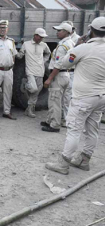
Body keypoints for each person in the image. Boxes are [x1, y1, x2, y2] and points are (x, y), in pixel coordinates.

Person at [45, 17, 105, 175]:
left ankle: (63, 163)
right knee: (92, 130)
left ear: (90, 30)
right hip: (100, 96)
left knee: (74, 130)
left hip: (84, 97)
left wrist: (77, 46)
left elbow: (64, 63)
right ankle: (84, 160)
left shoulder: (83, 48)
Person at [40, 22, 74, 132]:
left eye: (59, 30)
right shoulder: (70, 43)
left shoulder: (62, 45)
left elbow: (58, 64)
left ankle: (54, 125)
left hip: (59, 75)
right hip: (66, 74)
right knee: (54, 99)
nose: (57, 32)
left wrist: (49, 78)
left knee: (55, 100)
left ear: (66, 32)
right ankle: (50, 120)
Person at [16, 28, 51, 118]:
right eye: (40, 37)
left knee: (36, 92)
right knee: (34, 89)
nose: (41, 39)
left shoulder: (44, 45)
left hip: (40, 71)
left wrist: (43, 61)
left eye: (43, 37)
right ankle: (25, 84)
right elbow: (20, 56)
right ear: (35, 35)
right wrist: (13, 51)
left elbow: (48, 53)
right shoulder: (26, 44)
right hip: (30, 71)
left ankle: (29, 109)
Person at [60, 21, 80, 127]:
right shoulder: (68, 40)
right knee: (64, 97)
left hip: (71, 71)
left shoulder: (77, 39)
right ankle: (63, 117)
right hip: (67, 71)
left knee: (68, 97)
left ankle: (66, 119)